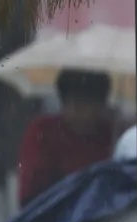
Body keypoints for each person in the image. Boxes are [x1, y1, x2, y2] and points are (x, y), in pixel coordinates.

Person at [17, 69, 115, 206]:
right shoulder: (43, 132)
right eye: (70, 103)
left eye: (85, 105)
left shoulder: (110, 134)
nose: (77, 112)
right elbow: (30, 192)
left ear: (101, 106)